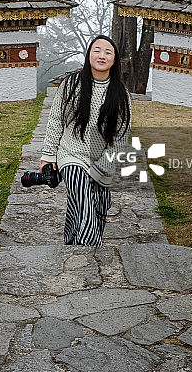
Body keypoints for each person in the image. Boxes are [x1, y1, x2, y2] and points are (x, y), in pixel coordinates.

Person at [39, 35, 131, 247]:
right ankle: (90, 253)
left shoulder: (120, 95)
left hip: (100, 160)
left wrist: (99, 169)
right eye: (97, 50)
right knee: (84, 198)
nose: (102, 55)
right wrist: (48, 155)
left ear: (115, 60)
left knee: (98, 206)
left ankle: (71, 243)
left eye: (108, 52)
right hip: (70, 154)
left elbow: (120, 138)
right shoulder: (71, 84)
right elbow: (55, 120)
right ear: (89, 54)